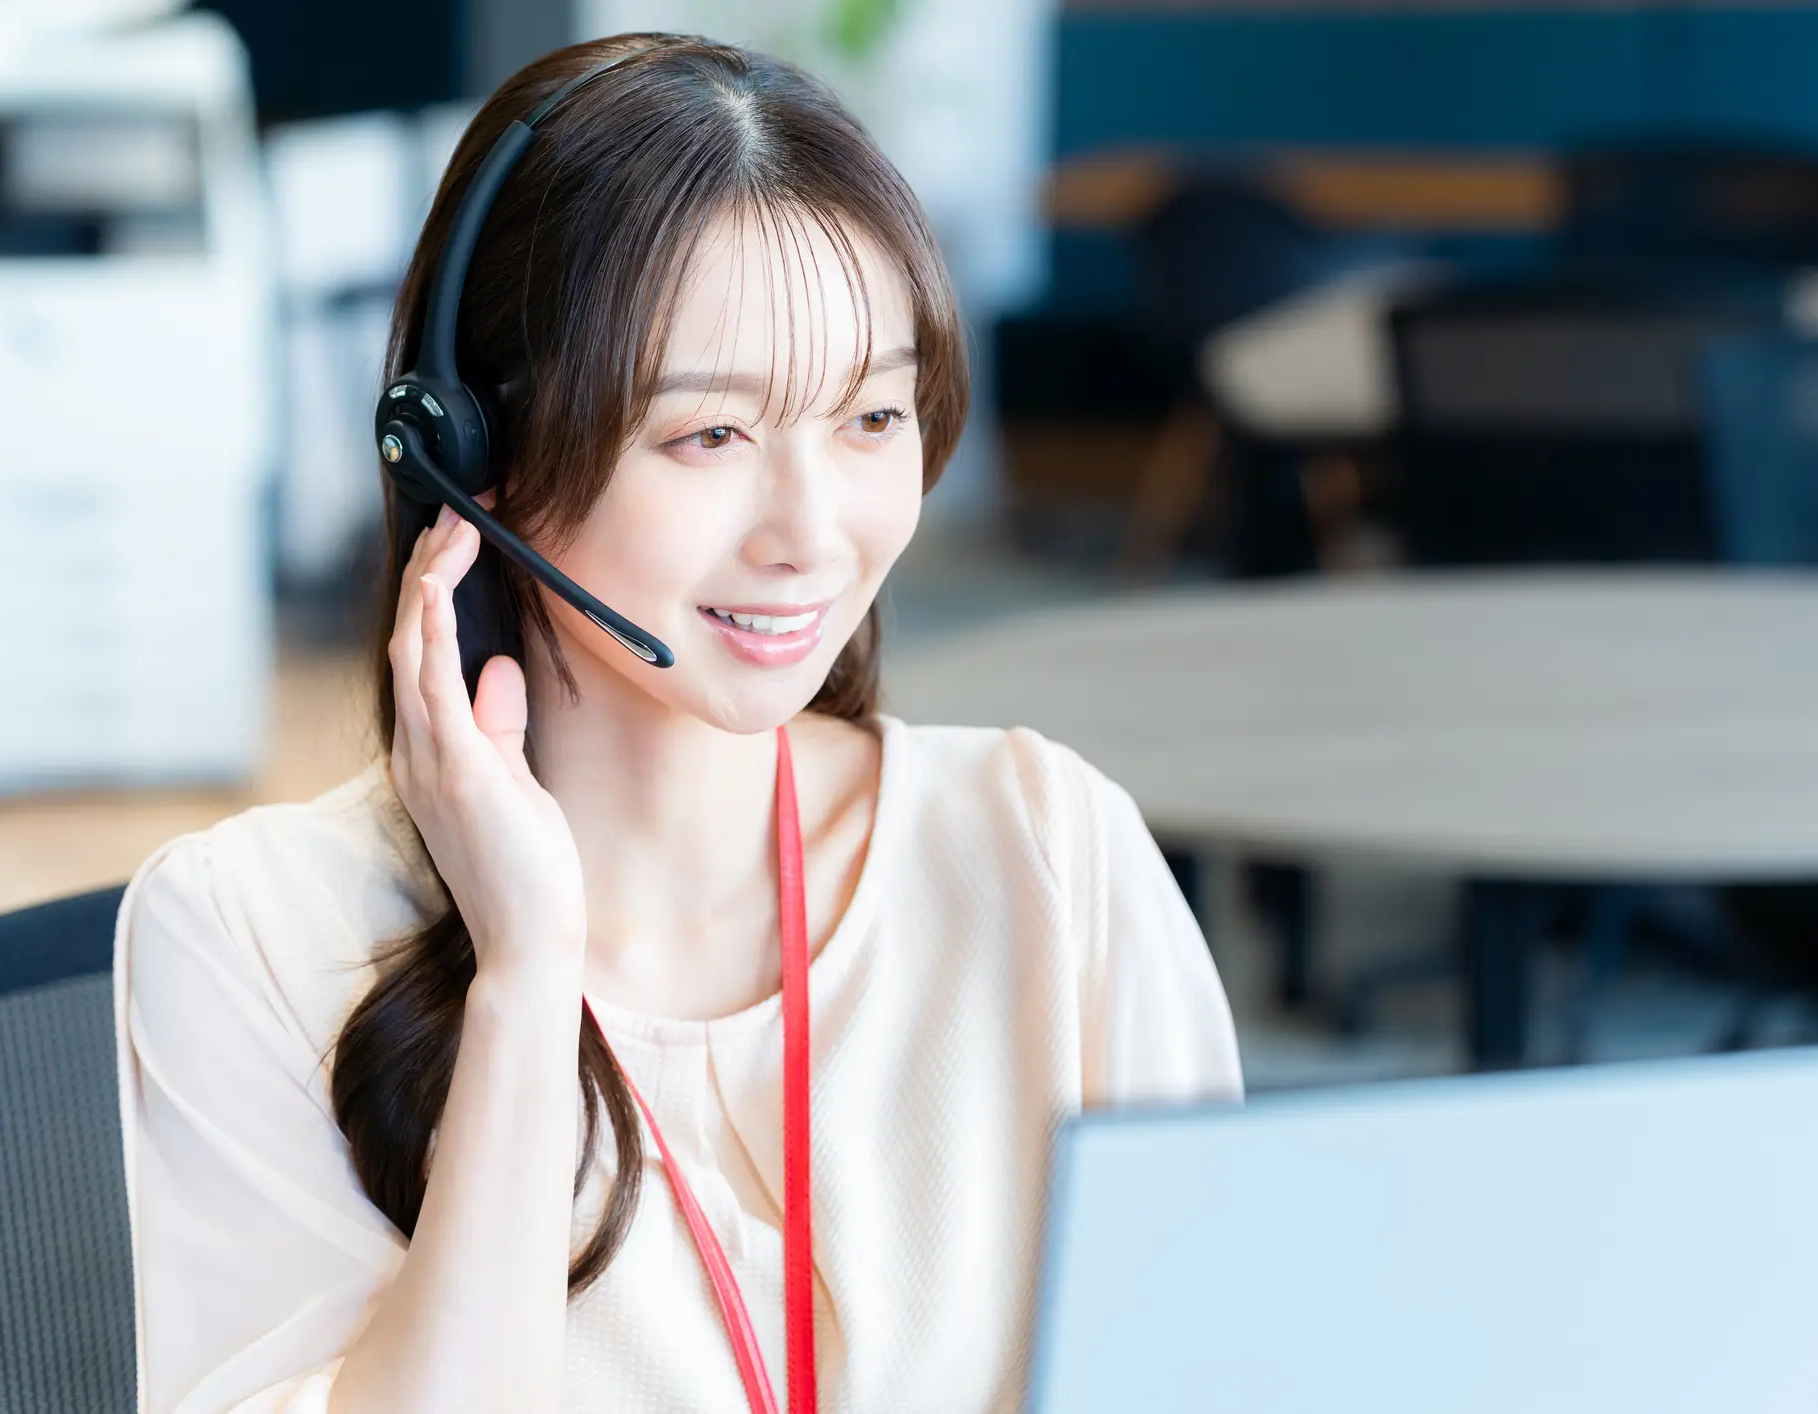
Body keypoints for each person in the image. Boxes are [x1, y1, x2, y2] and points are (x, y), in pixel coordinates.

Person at [113, 34, 1240, 1414]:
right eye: (709, 436)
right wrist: (526, 977)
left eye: (873, 415)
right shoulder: (246, 936)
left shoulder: (1050, 855)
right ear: (475, 456)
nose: (813, 535)